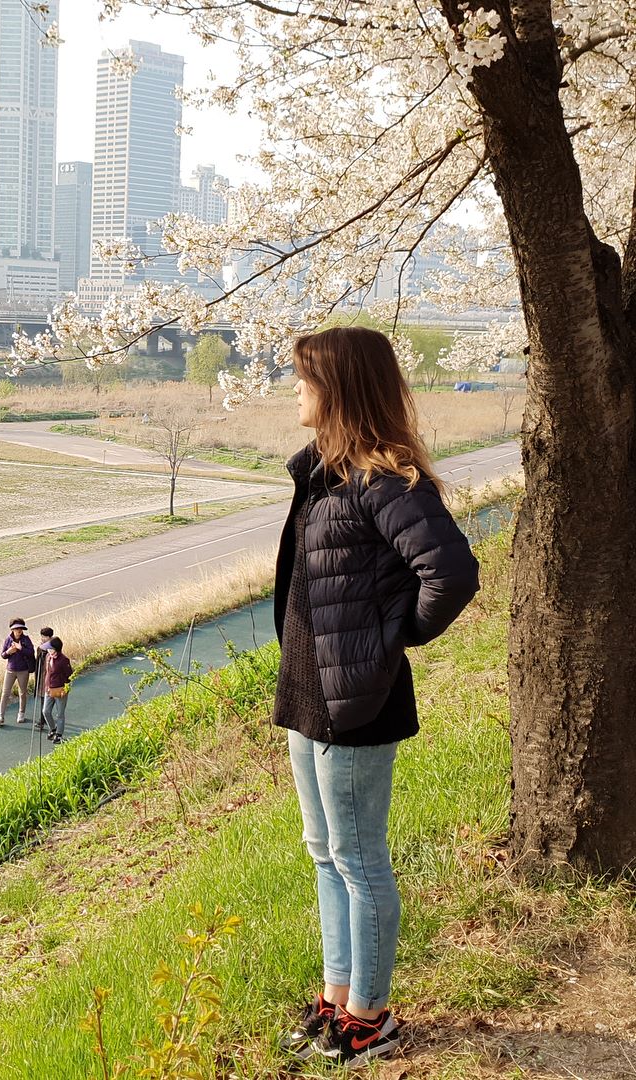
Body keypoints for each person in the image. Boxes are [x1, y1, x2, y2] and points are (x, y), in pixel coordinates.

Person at [274, 327, 479, 1067]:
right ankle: (337, 997)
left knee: (359, 860)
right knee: (326, 853)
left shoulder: (380, 481)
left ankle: (372, 1016)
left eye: (304, 376)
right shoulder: (326, 475)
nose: (293, 388)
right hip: (309, 696)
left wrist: (393, 644)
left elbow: (451, 573)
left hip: (356, 704)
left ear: (341, 387)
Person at [0, 618, 36, 726]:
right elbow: (3, 655)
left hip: (23, 670)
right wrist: (9, 651)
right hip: (10, 670)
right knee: (5, 693)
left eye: (20, 628)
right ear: (12, 629)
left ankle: (21, 713)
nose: (19, 630)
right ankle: (1, 716)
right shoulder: (8, 639)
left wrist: (20, 648)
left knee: (22, 692)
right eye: (16, 628)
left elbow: (31, 652)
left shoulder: (26, 639)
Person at [41, 636, 73, 745]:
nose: (48, 651)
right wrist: (45, 686)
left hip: (60, 690)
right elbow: (47, 672)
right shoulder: (47, 657)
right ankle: (53, 729)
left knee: (60, 714)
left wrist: (66, 688)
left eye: (50, 649)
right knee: (46, 711)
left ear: (56, 649)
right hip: (49, 689)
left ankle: (59, 735)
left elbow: (70, 675)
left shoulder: (64, 660)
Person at [34, 627, 54, 731]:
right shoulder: (41, 648)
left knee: (45, 699)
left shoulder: (53, 647)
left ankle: (42, 721)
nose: (43, 638)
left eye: (45, 636)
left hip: (48, 677)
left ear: (50, 637)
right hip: (41, 676)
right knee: (42, 698)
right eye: (42, 636)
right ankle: (43, 719)